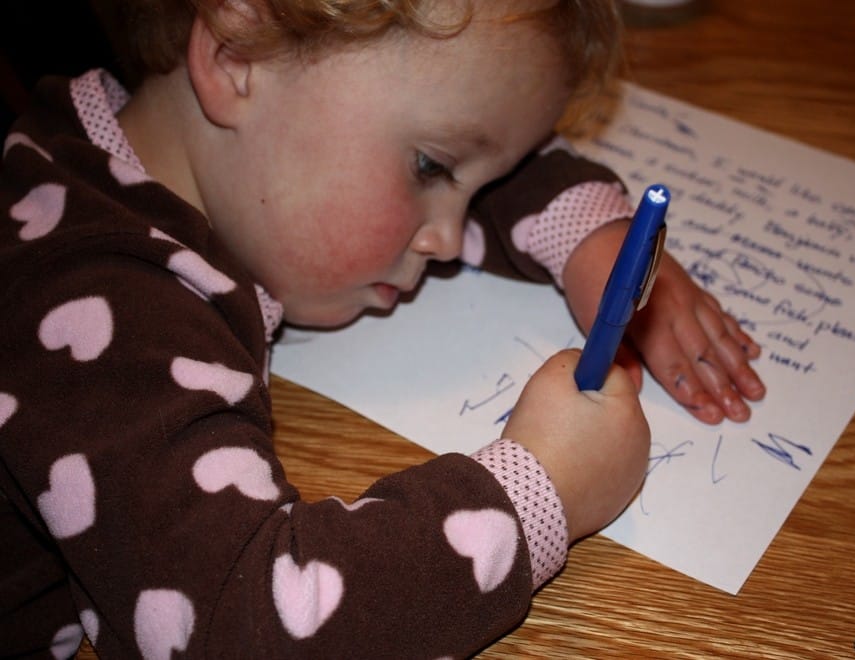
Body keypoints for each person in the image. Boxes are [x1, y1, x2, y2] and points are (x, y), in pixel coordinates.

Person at [0, 0, 764, 656]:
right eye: (431, 168)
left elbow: (471, 119)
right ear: (236, 55)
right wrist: (538, 493)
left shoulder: (104, 154)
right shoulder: (85, 301)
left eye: (480, 184)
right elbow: (246, 624)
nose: (446, 238)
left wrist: (590, 237)